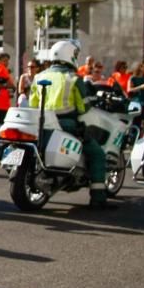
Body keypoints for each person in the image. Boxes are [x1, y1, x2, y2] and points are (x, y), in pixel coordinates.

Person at [30, 40, 110, 208]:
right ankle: (98, 198)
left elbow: (33, 103)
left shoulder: (39, 77)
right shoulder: (73, 78)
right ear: (71, 56)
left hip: (42, 125)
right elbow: (84, 107)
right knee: (97, 154)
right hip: (67, 125)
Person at [126, 60, 144, 129]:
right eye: (143, 67)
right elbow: (129, 89)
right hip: (138, 101)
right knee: (137, 121)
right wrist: (140, 87)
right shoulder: (133, 78)